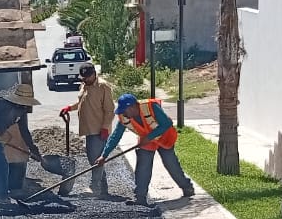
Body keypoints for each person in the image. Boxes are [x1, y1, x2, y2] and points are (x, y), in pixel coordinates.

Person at [96, 93, 195, 207]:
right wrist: (104, 155)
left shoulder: (150, 107)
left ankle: (187, 187)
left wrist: (149, 137)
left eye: (125, 110)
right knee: (143, 167)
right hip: (146, 142)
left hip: (164, 138)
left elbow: (167, 123)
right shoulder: (124, 118)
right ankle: (140, 197)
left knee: (171, 164)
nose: (123, 113)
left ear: (132, 107)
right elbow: (115, 136)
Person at [0, 83, 43, 200]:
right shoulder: (3, 104)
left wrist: (33, 149)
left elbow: (24, 131)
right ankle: (3, 196)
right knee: (2, 166)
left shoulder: (21, 111)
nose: (26, 105)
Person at [58, 62, 115, 197]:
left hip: (98, 129)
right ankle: (102, 188)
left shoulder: (103, 87)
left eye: (87, 78)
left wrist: (105, 127)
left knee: (95, 159)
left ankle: (95, 187)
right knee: (95, 159)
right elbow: (82, 102)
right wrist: (70, 108)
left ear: (94, 74)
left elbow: (110, 110)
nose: (85, 80)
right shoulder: (84, 84)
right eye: (83, 78)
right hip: (88, 128)